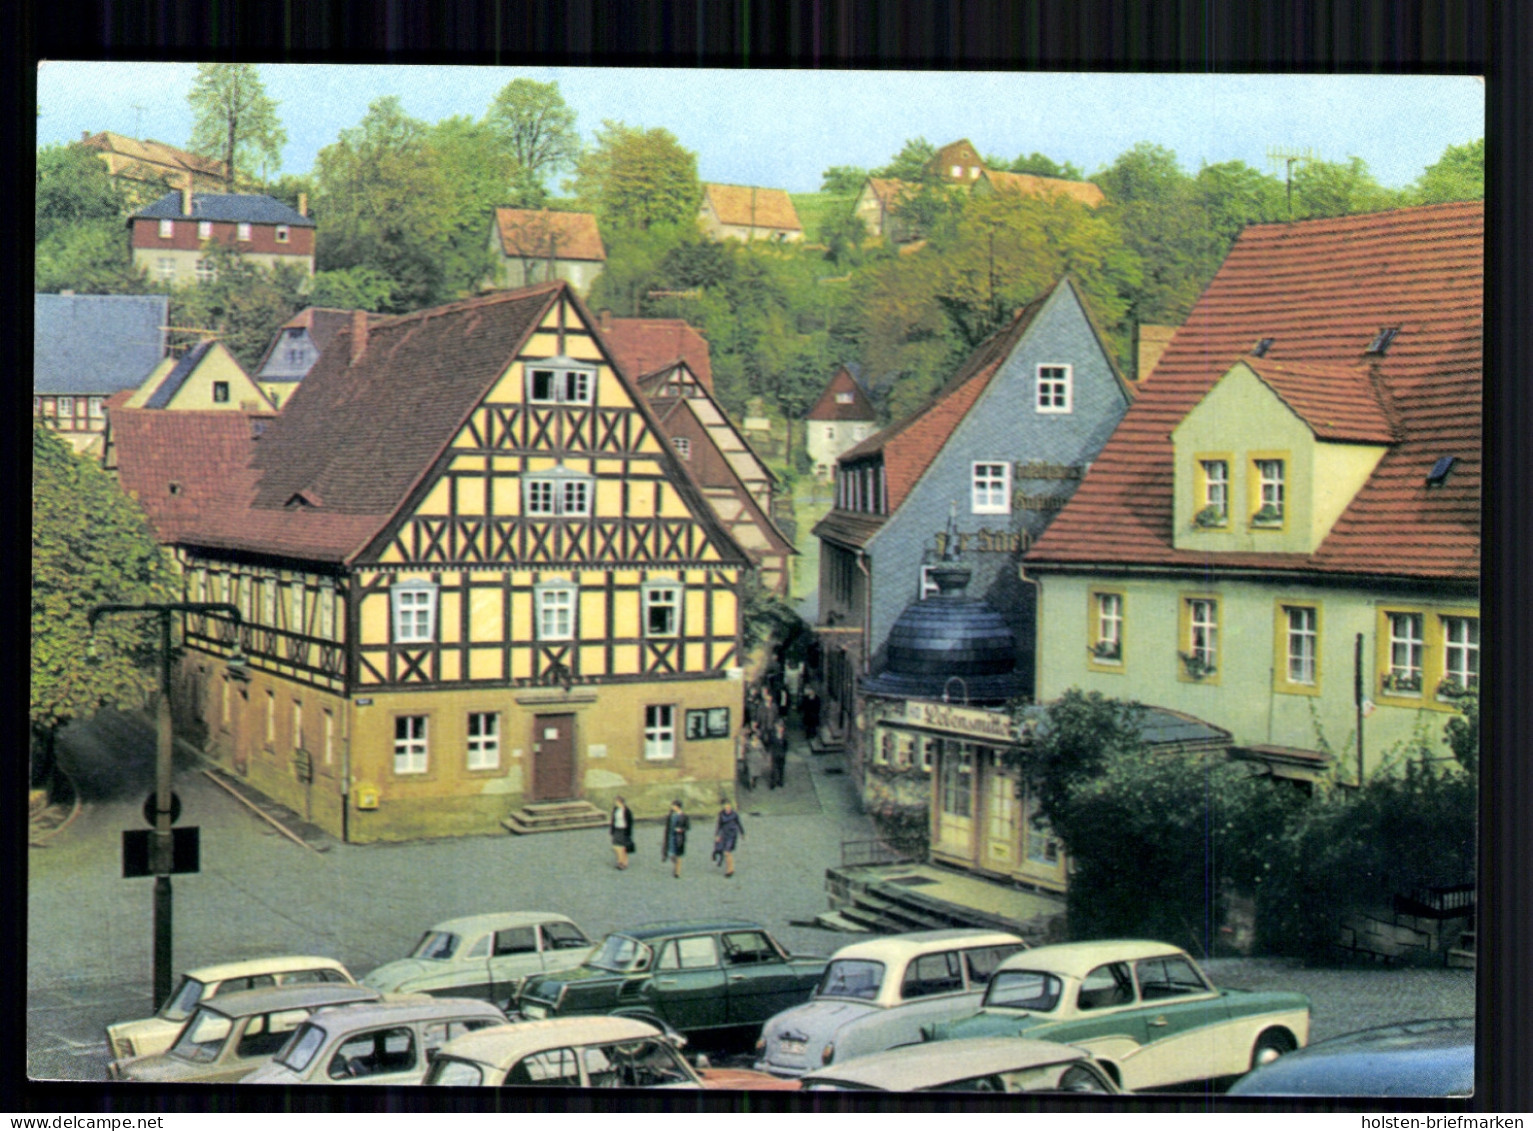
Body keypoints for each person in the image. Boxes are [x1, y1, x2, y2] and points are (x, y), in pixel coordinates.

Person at [714, 800, 744, 878]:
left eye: (728, 806)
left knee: (727, 852)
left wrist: (742, 833)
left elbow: (739, 824)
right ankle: (730, 868)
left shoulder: (734, 814)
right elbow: (719, 825)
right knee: (725, 852)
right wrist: (717, 835)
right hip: (724, 834)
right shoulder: (721, 814)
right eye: (725, 806)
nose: (727, 807)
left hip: (732, 834)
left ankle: (729, 870)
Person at [661, 799, 690, 879]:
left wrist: (681, 829)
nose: (672, 807)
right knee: (671, 853)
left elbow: (687, 827)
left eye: (673, 806)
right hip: (671, 836)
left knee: (678, 854)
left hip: (679, 837)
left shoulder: (683, 816)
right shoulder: (671, 816)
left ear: (677, 807)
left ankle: (677, 871)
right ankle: (675, 864)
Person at [609, 796, 634, 870]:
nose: (615, 803)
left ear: (620, 802)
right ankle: (620, 860)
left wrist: (628, 833)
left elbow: (630, 822)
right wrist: (612, 829)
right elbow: (613, 820)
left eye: (616, 802)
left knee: (622, 847)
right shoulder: (616, 810)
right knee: (616, 846)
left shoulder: (626, 811)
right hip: (617, 829)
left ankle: (623, 862)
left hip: (623, 829)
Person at [768, 718, 788, 789]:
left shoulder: (785, 735)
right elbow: (770, 743)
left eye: (781, 727)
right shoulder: (772, 734)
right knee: (773, 769)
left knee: (781, 768)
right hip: (775, 754)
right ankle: (772, 783)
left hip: (782, 755)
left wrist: (784, 752)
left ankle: (780, 781)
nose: (780, 729)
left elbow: (786, 745)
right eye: (778, 727)